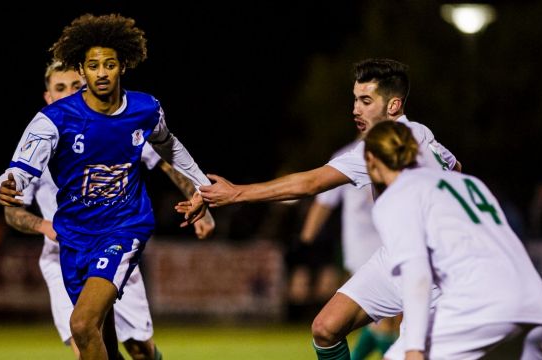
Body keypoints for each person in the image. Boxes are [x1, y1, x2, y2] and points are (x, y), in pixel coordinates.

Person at [177, 58, 461, 360]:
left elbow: (310, 183)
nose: (355, 110)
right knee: (326, 328)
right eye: (355, 100)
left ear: (393, 106)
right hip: (394, 255)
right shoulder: (422, 133)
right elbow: (455, 166)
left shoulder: (380, 147)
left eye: (366, 101)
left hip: (432, 266)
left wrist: (235, 194)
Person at [0, 13, 211, 360]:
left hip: (122, 230)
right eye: (93, 65)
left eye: (109, 64)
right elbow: (19, 172)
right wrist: (7, 185)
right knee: (96, 340)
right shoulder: (53, 121)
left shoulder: (143, 109)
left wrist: (202, 189)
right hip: (72, 239)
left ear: (121, 66)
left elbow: (168, 148)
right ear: (81, 70)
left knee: (84, 325)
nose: (101, 72)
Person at [364, 120, 542, 359]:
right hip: (537, 304)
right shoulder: (470, 183)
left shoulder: (396, 195)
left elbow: (417, 274)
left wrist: (414, 349)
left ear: (371, 160)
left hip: (480, 305)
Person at [300, 133, 399, 359]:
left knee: (394, 319)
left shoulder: (401, 149)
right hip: (363, 247)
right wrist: (307, 238)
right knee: (385, 320)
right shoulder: (350, 155)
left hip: (393, 245)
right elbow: (323, 199)